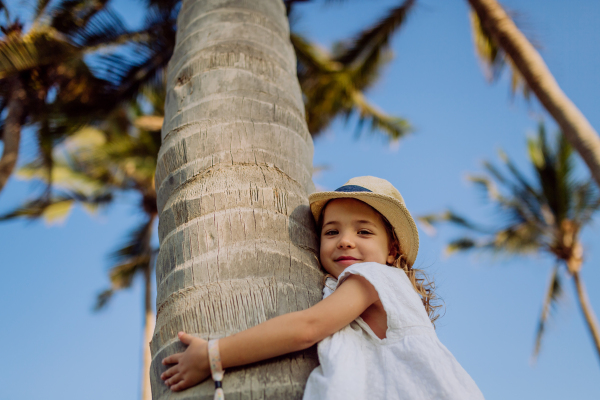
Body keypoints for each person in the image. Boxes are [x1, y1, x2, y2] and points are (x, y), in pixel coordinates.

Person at [160, 176, 485, 399]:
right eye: (331, 232)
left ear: (392, 252)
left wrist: (215, 354)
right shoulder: (358, 289)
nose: (345, 240)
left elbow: (307, 327)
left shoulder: (375, 278)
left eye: (364, 232)